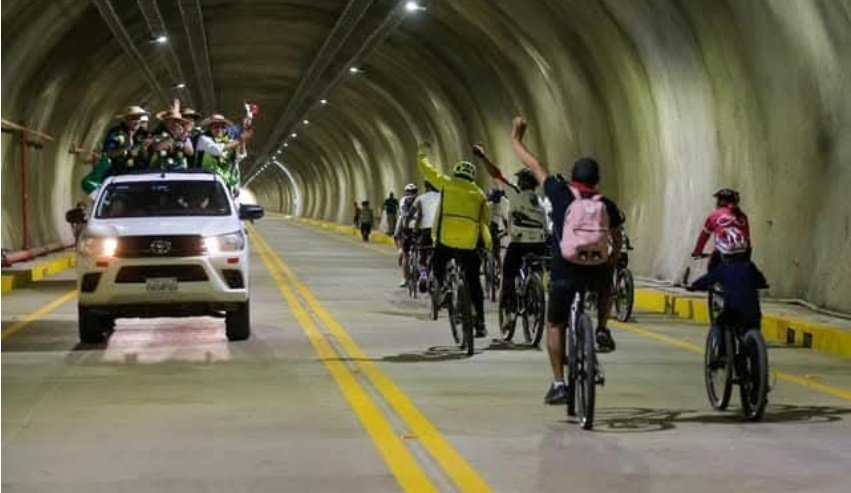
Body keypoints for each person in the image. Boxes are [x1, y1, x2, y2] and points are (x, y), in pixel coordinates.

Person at [510, 116, 625, 405]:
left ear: (573, 178)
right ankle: (601, 328)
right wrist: (611, 257)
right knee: (605, 287)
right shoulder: (605, 204)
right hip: (595, 269)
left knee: (556, 324)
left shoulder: (559, 194)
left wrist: (516, 139)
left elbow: (535, 166)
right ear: (596, 181)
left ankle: (559, 383)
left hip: (564, 270)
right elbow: (617, 237)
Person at [417, 141, 492, 338]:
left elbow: (427, 170)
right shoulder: (479, 194)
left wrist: (422, 153)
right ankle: (481, 323)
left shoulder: (447, 184)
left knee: (437, 262)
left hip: (446, 240)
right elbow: (485, 220)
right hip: (469, 244)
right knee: (475, 281)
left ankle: (443, 287)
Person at [475, 144, 549, 337]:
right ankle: (535, 297)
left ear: (523, 183)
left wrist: (483, 158)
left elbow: (496, 174)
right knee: (537, 272)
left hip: (520, 244)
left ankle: (508, 312)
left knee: (508, 278)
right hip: (540, 244)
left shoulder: (515, 194)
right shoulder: (541, 201)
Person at [687, 256, 768, 363]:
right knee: (751, 332)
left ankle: (721, 354)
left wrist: (693, 286)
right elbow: (762, 281)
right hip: (752, 312)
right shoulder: (750, 266)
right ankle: (755, 366)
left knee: (720, 323)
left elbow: (707, 279)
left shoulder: (723, 268)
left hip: (733, 310)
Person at [82, 106, 151, 195]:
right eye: (133, 118)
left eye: (138, 118)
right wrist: (125, 147)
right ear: (126, 120)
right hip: (118, 176)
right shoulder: (116, 133)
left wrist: (145, 149)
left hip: (138, 176)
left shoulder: (144, 135)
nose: (136, 121)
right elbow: (109, 152)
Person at [691, 188, 751, 272]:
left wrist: (697, 252)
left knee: (712, 271)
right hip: (743, 252)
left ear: (722, 201)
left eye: (718, 200)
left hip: (723, 252)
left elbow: (703, 237)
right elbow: (747, 238)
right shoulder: (742, 216)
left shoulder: (714, 215)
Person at [196, 113, 252, 192]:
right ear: (210, 128)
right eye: (216, 127)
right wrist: (239, 140)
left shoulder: (229, 142)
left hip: (225, 185)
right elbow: (217, 150)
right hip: (207, 182)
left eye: (222, 127)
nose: (219, 129)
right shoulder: (203, 139)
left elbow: (240, 156)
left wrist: (243, 142)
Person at [410, 181, 440, 291]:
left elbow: (412, 215)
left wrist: (411, 229)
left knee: (422, 255)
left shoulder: (421, 198)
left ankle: (423, 275)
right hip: (440, 232)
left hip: (427, 231)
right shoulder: (443, 197)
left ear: (426, 187)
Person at [148, 106, 194, 170]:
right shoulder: (158, 134)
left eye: (177, 121)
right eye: (170, 121)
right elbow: (157, 148)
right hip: (160, 170)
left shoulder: (183, 136)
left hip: (180, 170)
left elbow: (190, 152)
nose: (174, 124)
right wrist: (173, 137)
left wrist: (182, 137)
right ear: (165, 122)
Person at [394, 183, 419, 287]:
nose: (411, 194)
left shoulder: (419, 201)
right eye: (409, 192)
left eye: (413, 192)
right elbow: (403, 213)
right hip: (406, 223)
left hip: (417, 225)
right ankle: (405, 277)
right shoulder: (404, 201)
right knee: (397, 234)